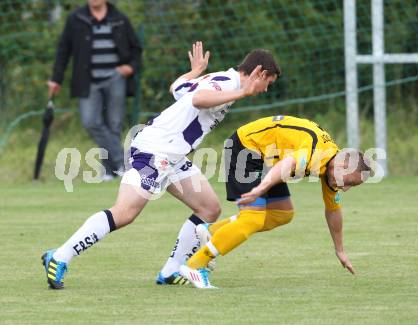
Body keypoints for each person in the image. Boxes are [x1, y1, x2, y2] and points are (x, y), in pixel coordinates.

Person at [41, 42, 281, 289]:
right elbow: (198, 99)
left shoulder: (218, 79)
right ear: (259, 74)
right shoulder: (228, 84)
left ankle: (171, 271)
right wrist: (240, 93)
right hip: (154, 150)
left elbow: (178, 88)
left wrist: (194, 72)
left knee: (208, 208)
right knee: (124, 213)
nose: (264, 90)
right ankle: (60, 256)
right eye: (268, 83)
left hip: (173, 156)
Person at [178, 116, 372, 289]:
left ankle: (210, 231)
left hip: (265, 158)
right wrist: (261, 189)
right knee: (253, 218)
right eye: (350, 182)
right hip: (245, 147)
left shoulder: (331, 165)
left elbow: (333, 211)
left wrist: (340, 250)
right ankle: (195, 266)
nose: (346, 188)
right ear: (343, 165)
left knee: (282, 213)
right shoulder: (316, 152)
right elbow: (286, 165)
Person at [47, 0, 142, 180]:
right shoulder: (76, 18)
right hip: (87, 80)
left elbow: (136, 48)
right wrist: (56, 78)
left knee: (114, 124)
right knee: (90, 121)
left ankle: (109, 171)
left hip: (116, 78)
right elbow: (63, 50)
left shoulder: (119, 18)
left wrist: (130, 67)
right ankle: (123, 162)